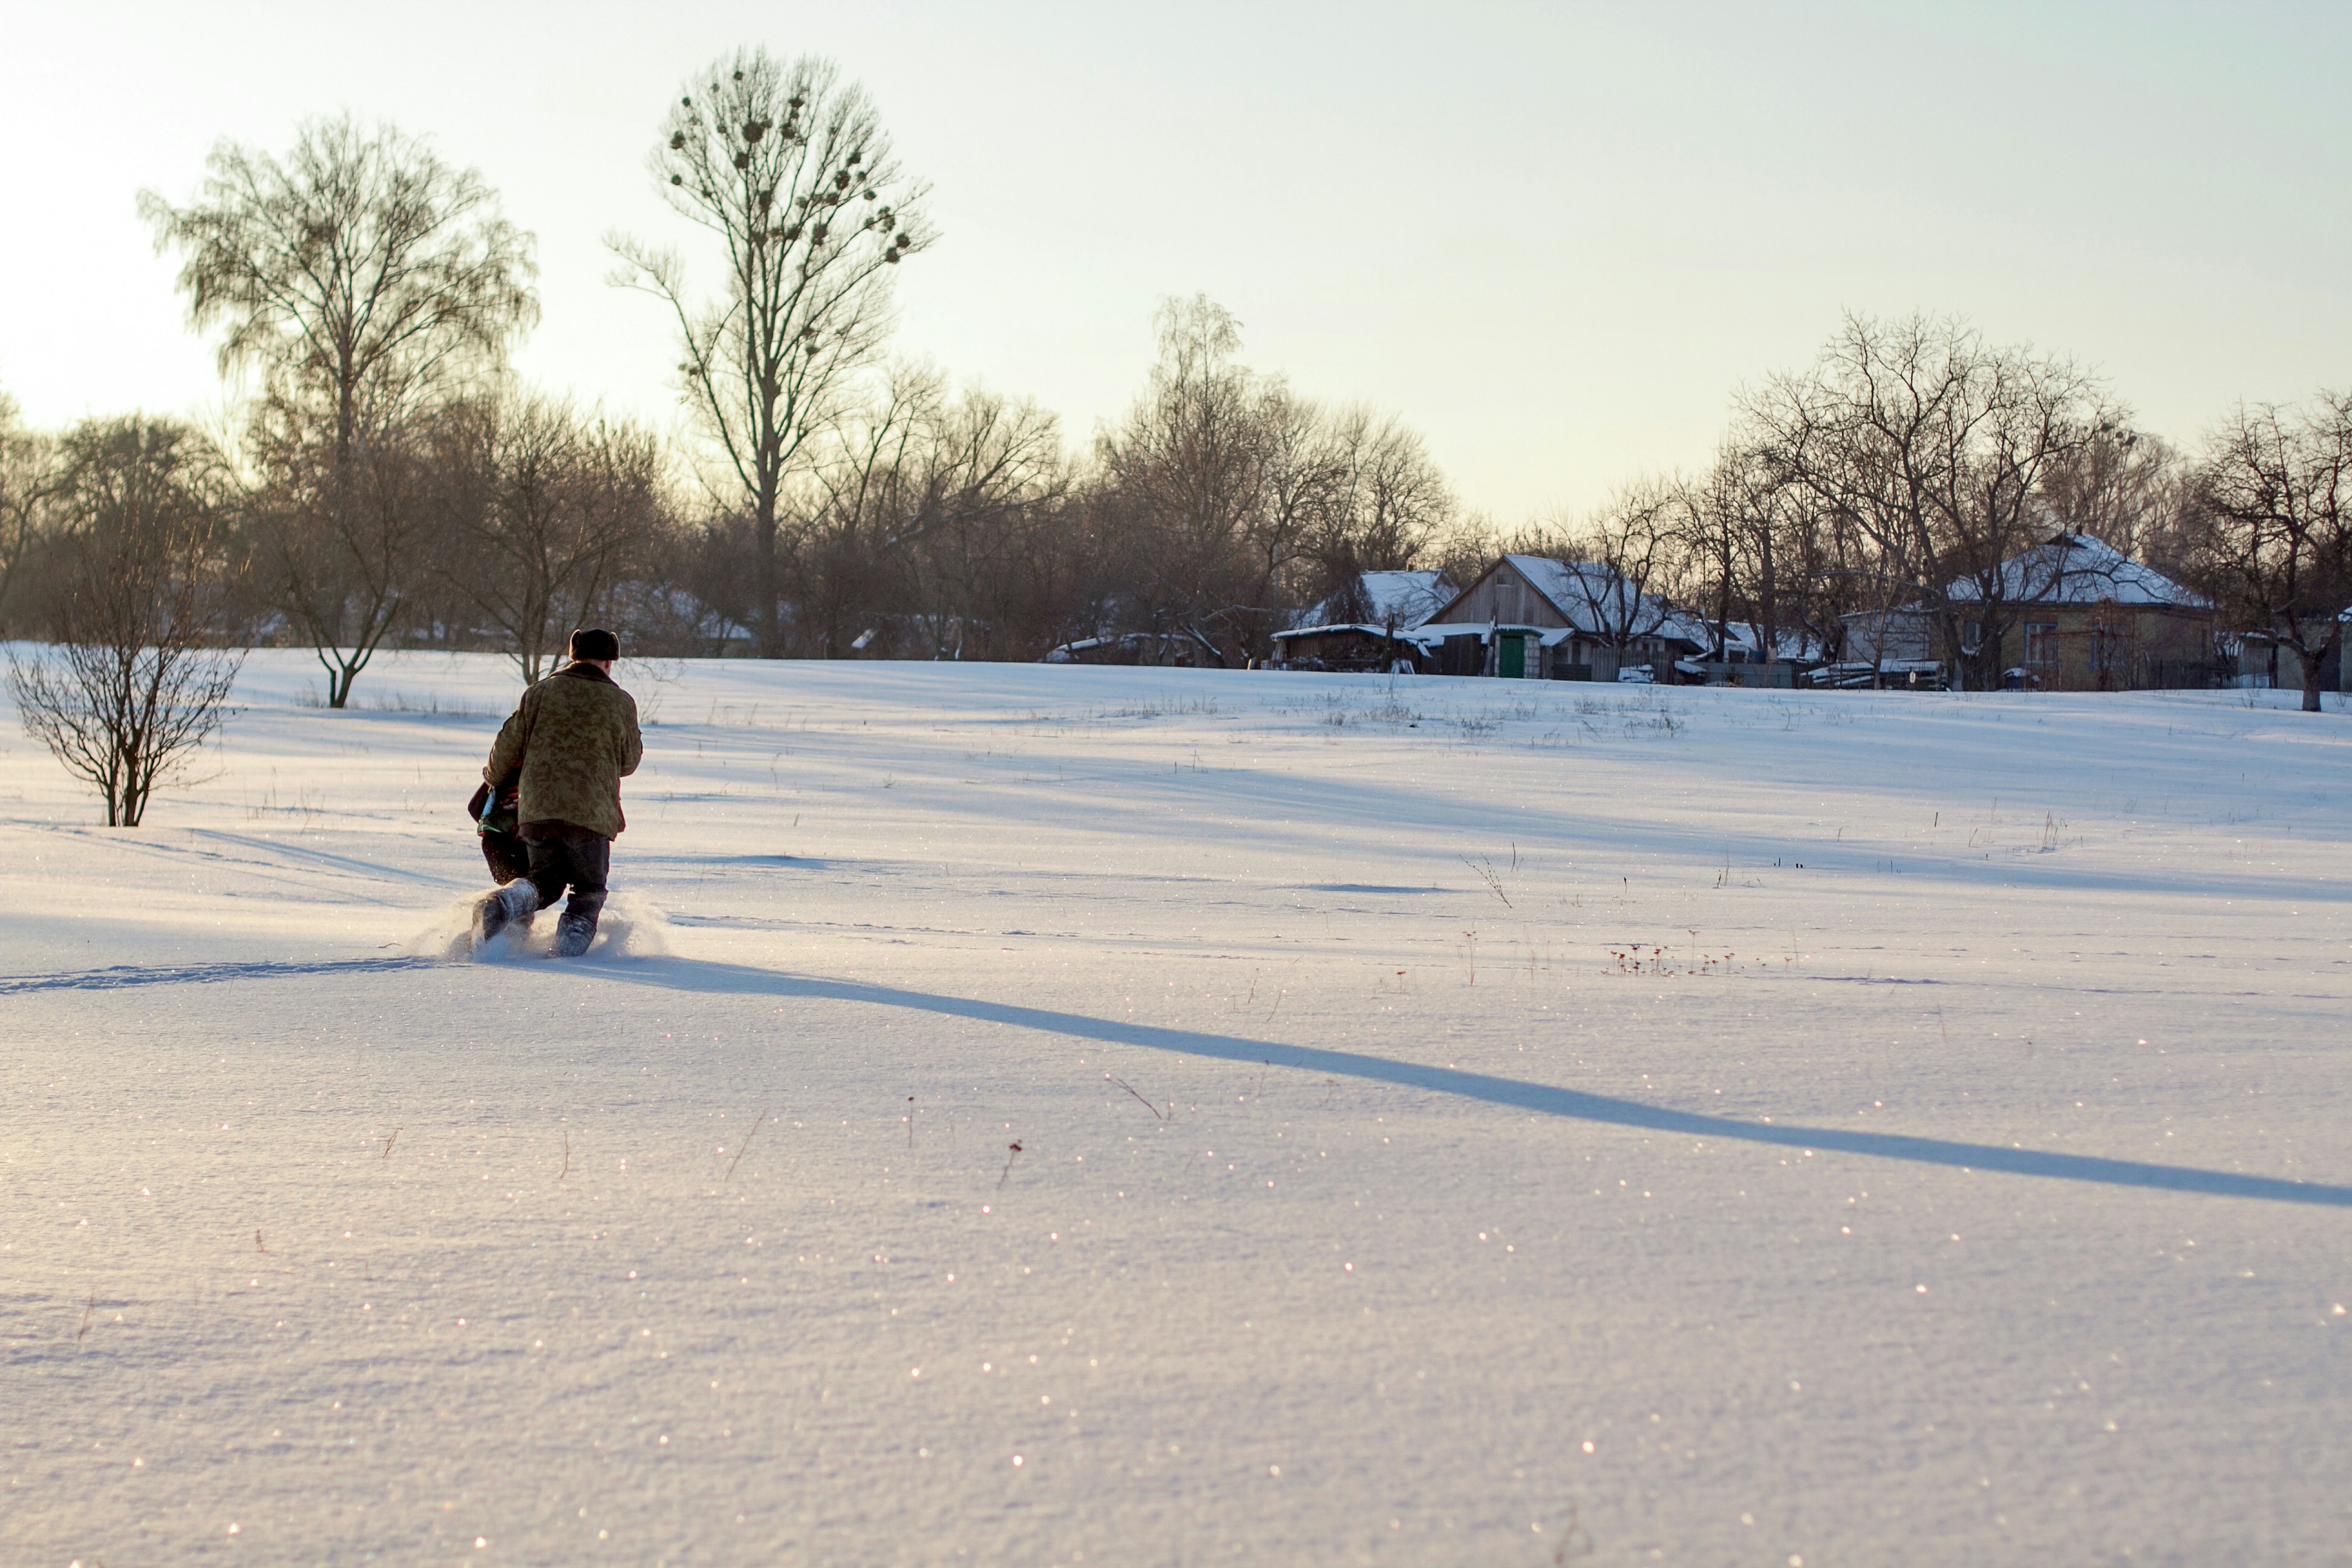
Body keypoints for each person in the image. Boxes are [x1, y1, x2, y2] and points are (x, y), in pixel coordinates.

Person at [472, 627, 644, 957]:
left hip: (537, 811)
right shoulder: (621, 702)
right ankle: (565, 956)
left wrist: (492, 779)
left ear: (572, 656)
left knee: (544, 883)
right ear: (609, 663)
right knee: (589, 889)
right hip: (590, 815)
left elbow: (507, 745)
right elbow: (629, 762)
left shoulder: (539, 693)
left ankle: (503, 903)